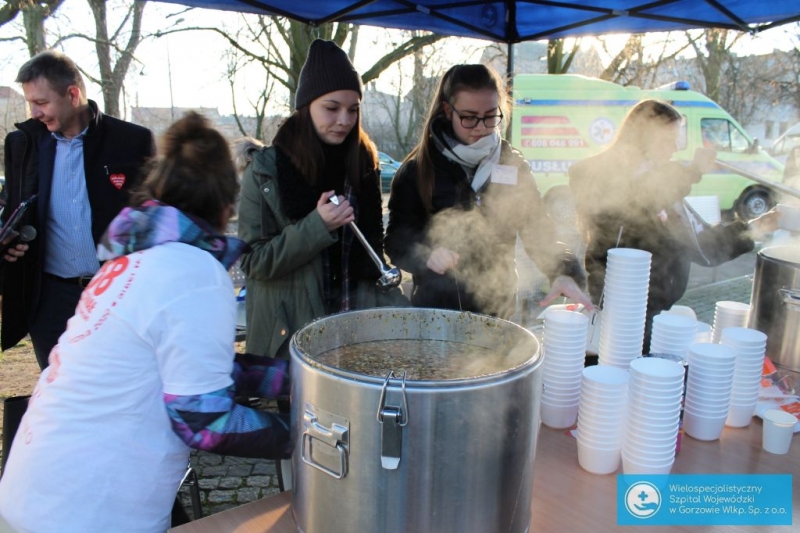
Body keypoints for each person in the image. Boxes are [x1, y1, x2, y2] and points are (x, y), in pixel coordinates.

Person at [0, 112, 292, 532]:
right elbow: (203, 419)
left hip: (33, 490)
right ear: (226, 205)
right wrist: (308, 433)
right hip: (85, 512)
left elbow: (196, 374)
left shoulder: (130, 261)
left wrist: (301, 379)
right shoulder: (193, 271)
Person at [569, 99, 779, 352]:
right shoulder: (605, 177)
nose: (675, 149)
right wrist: (692, 171)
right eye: (667, 140)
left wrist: (756, 227)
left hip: (655, 309)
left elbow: (701, 246)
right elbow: (637, 200)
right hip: (622, 312)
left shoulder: (660, 184)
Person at [384, 64, 590, 319]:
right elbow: (396, 241)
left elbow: (538, 231)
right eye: (469, 117)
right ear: (448, 110)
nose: (481, 127)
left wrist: (563, 273)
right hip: (436, 314)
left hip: (498, 312)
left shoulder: (512, 165)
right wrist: (426, 256)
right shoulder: (418, 170)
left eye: (491, 116)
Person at [237, 39, 394, 361]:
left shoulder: (364, 163)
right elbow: (254, 262)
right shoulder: (268, 169)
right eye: (331, 108)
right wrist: (317, 226)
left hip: (356, 332)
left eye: (353, 110)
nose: (344, 120)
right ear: (306, 106)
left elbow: (371, 251)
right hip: (292, 339)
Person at [1, 50, 155, 369]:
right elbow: (12, 207)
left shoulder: (133, 141)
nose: (34, 113)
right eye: (31, 103)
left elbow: (155, 218)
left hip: (117, 297)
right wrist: (9, 242)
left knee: (119, 387)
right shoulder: (22, 144)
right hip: (50, 300)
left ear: (72, 94)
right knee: (62, 395)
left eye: (41, 103)